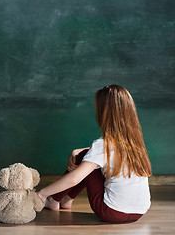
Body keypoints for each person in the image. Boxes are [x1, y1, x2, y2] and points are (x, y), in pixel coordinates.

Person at [37, 85, 152, 223]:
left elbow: (74, 179)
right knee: (87, 155)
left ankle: (54, 200)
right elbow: (109, 151)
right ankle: (66, 201)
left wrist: (41, 193)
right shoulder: (135, 142)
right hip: (139, 212)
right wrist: (80, 151)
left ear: (104, 112)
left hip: (110, 212)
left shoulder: (102, 144)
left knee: (84, 159)